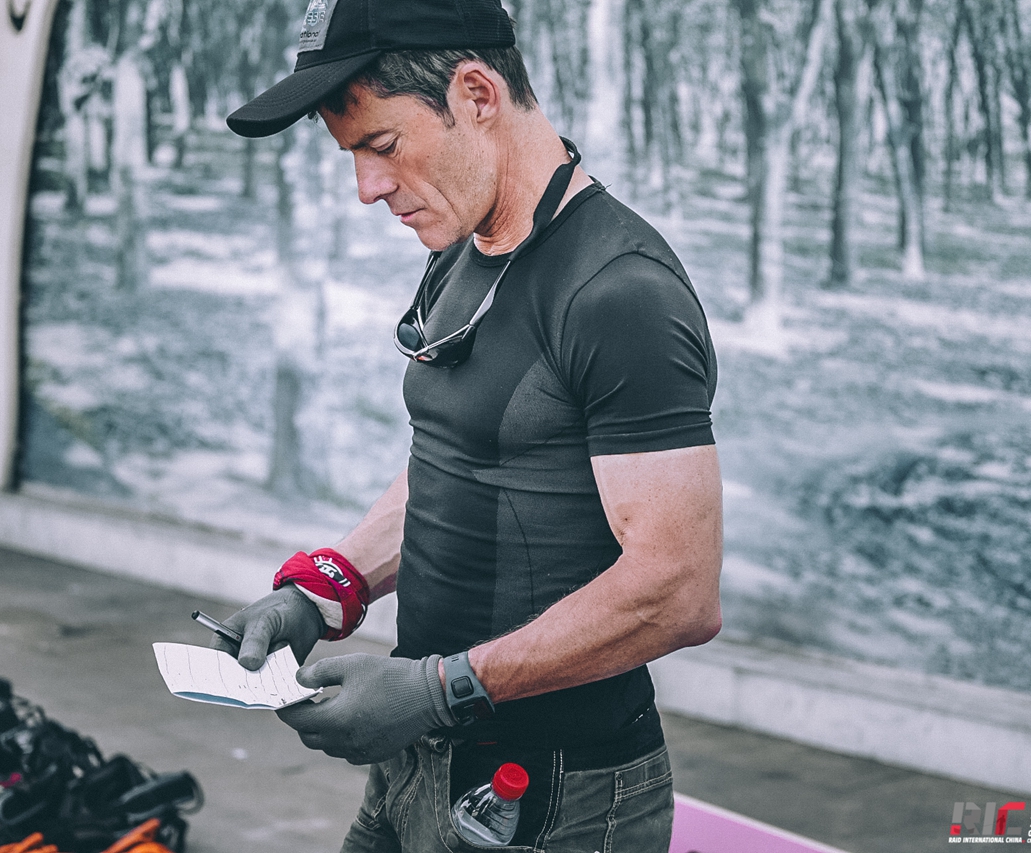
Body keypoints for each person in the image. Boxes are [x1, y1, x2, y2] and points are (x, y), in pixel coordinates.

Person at [219, 0, 722, 850]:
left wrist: (439, 688)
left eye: (382, 145)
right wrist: (326, 587)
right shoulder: (464, 246)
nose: (367, 187)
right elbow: (463, 458)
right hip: (420, 762)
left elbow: (680, 590)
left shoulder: (621, 292)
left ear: (478, 94)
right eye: (352, 156)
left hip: (555, 794)